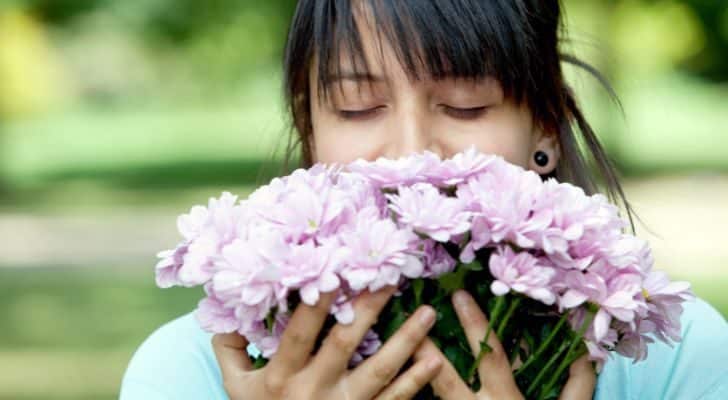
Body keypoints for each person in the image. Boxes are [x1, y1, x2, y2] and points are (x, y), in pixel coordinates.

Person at [120, 1, 728, 399]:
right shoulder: (193, 373)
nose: (412, 156)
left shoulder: (674, 357)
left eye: (466, 106)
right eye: (358, 109)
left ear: (545, 126)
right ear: (311, 133)